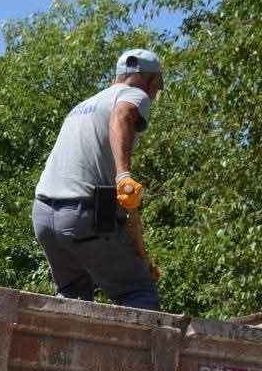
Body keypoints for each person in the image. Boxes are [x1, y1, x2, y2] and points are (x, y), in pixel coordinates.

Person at [32, 48, 164, 310]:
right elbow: (123, 114)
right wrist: (124, 175)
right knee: (140, 293)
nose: (154, 94)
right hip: (80, 215)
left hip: (43, 216)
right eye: (157, 87)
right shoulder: (133, 95)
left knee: (74, 300)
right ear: (150, 82)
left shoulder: (84, 105)